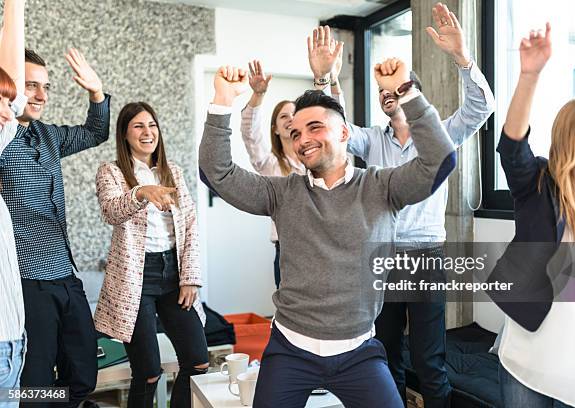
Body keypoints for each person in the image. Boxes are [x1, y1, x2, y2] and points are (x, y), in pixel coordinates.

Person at [199, 57, 456, 407]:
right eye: (295, 133)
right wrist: (222, 102)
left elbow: (440, 160)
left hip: (358, 354)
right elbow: (218, 173)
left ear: (345, 134)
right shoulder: (283, 193)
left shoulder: (382, 186)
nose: (303, 139)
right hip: (290, 351)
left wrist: (407, 91)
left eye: (315, 127)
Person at [308, 4, 494, 406]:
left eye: (398, 87)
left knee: (430, 361)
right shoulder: (371, 140)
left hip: (427, 256)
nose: (388, 94)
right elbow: (333, 127)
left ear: (415, 94)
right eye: (383, 90)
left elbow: (481, 108)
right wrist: (325, 79)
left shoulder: (441, 134)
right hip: (382, 256)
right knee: (385, 353)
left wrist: (463, 57)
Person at [489, 22, 575, 407]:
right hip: (529, 358)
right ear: (568, 136)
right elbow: (511, 148)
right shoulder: (539, 186)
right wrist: (529, 75)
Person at [0, 45, 110, 406]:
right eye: (31, 85)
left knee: (83, 371)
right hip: (26, 281)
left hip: (65, 273)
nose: (42, 96)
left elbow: (96, 132)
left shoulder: (48, 137)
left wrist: (95, 92)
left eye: (46, 87)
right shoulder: (1, 141)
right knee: (34, 380)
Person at [95, 102, 209, 408]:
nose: (148, 133)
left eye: (152, 125)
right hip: (136, 279)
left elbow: (190, 225)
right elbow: (111, 211)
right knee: (147, 371)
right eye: (138, 126)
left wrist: (191, 278)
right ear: (125, 134)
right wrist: (141, 192)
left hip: (174, 274)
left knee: (198, 361)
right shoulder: (112, 171)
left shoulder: (171, 172)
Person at [239, 59, 305, 288]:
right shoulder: (270, 165)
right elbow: (250, 134)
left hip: (320, 246)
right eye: (284, 116)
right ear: (276, 128)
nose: (290, 119)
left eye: (294, 115)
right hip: (286, 249)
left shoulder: (316, 163)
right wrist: (258, 95)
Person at [0, 1, 26, 403]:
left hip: (13, 346)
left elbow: (16, 95)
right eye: (1, 104)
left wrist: (15, 5)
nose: (11, 114)